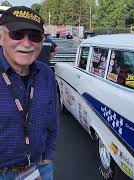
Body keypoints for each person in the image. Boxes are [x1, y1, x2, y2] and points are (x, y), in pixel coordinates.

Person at [0, 6, 59, 180]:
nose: (26, 44)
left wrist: (48, 157)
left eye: (35, 37)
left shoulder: (46, 73)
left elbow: (53, 120)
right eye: (17, 34)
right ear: (1, 37)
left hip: (39, 167)